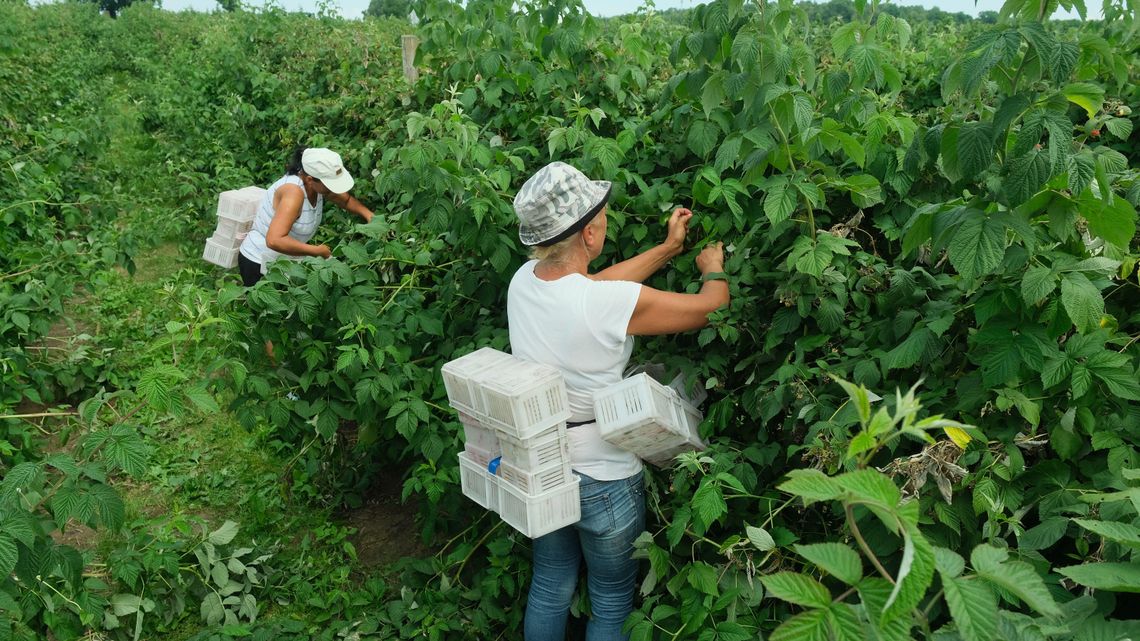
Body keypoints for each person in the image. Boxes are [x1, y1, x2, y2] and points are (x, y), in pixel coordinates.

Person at [507, 161, 730, 641]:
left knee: (550, 582)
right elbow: (711, 310)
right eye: (602, 216)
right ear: (589, 234)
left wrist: (667, 249)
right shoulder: (601, 305)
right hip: (603, 477)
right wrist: (712, 270)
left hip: (545, 462)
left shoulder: (524, 281)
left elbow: (593, 286)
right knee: (610, 599)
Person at [237, 147, 374, 287]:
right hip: (259, 263)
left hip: (287, 261)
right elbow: (274, 240)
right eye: (330, 185)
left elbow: (345, 200)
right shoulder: (293, 193)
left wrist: (370, 216)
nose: (333, 190)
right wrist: (317, 251)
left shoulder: (317, 185)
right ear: (310, 180)